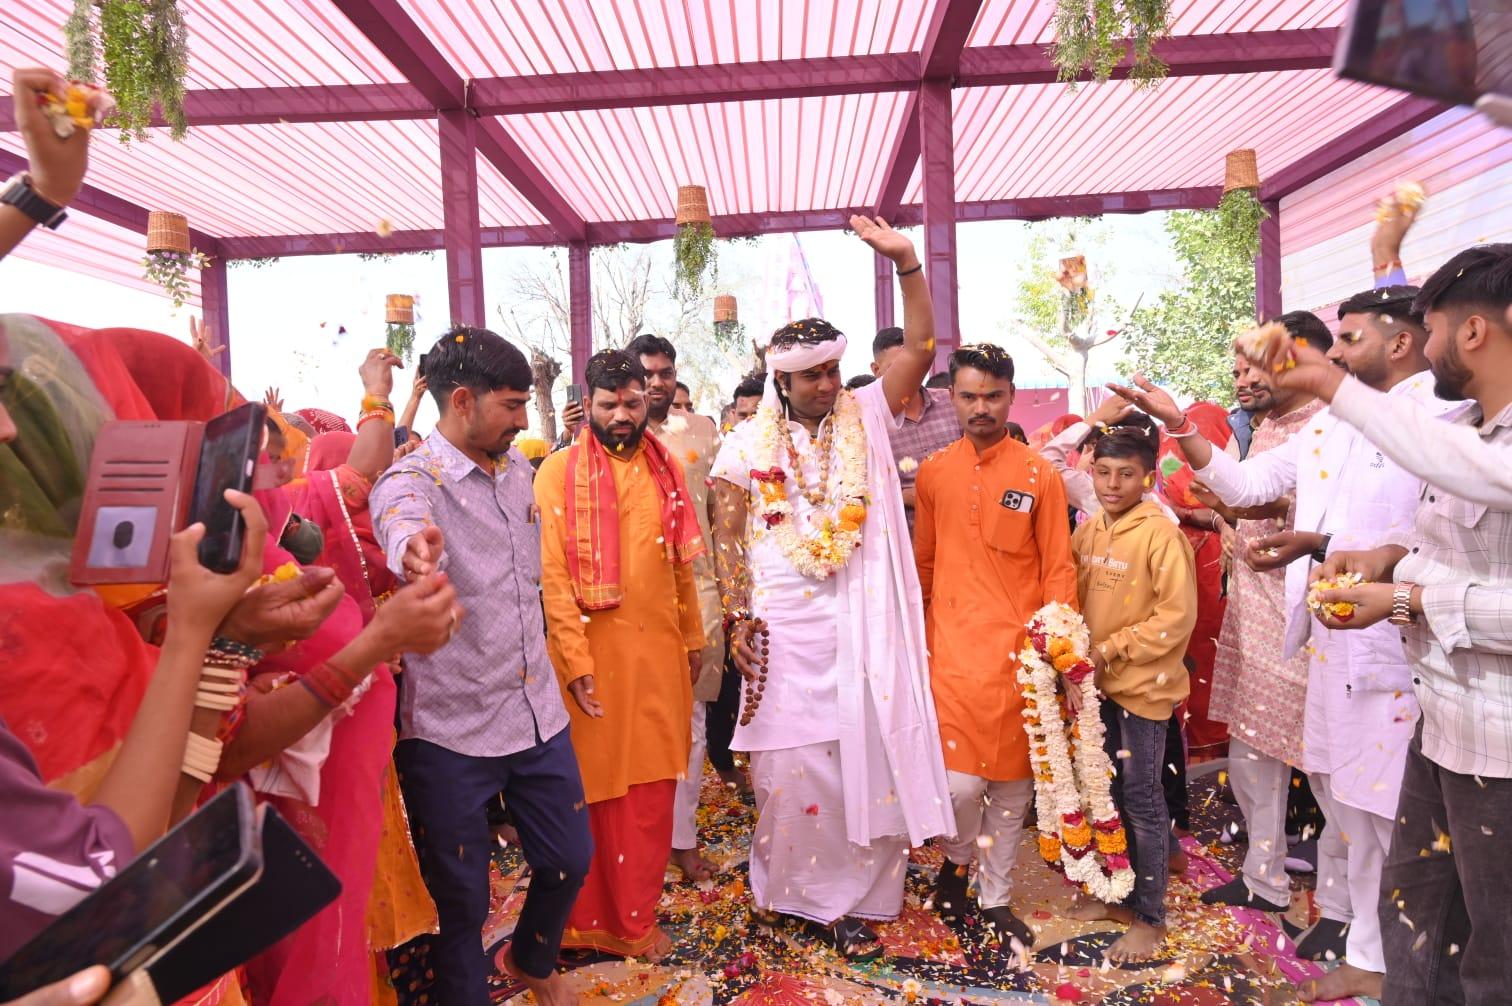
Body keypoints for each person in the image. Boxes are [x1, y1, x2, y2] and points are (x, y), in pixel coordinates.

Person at [710, 215, 954, 959]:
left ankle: (855, 898)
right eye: (811, 375)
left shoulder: (867, 414)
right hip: (783, 628)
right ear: (780, 382)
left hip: (861, 626)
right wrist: (736, 616)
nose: (825, 384)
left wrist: (907, 262)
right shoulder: (744, 443)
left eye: (831, 370)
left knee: (861, 763)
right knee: (790, 771)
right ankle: (792, 892)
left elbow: (921, 348)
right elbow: (727, 535)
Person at [1305, 245, 1512, 1006]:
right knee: (1416, 922)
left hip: (1502, 750)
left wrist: (1407, 599)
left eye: (1433, 330)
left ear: (1475, 331)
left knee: (1495, 955)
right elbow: (1459, 548)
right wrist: (1390, 561)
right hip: (1442, 723)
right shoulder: (1468, 427)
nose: (1424, 350)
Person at [371, 327, 591, 1006]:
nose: (523, 420)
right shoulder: (413, 479)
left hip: (534, 711)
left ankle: (530, 958)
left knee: (568, 859)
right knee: (460, 901)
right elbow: (400, 520)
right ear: (462, 400)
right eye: (512, 405)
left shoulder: (516, 468)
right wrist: (414, 551)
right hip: (451, 729)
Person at [1112, 312, 1332, 918]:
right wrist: (1219, 512)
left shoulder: (1330, 427)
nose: (1244, 381)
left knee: (1325, 766)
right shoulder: (1268, 427)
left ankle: (1344, 906)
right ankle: (1263, 878)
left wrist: (1188, 435)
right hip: (1254, 614)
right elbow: (1247, 496)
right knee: (1251, 755)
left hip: (1311, 624)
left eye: (1256, 367)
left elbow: (1305, 511)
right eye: (1238, 371)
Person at [537, 348, 706, 960]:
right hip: (591, 659)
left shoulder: (666, 468)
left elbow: (681, 568)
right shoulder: (557, 473)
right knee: (591, 792)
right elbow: (554, 579)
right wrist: (574, 662)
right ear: (588, 403)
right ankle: (581, 922)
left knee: (650, 795)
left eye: (632, 403)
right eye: (609, 404)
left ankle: (634, 922)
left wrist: (693, 637)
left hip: (658, 654)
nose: (622, 416)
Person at [913, 344, 1076, 946]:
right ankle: (958, 858)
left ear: (1011, 397)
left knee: (1011, 789)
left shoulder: (1040, 475)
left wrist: (1061, 652)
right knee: (958, 786)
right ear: (951, 399)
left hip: (1020, 657)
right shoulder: (934, 472)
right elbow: (924, 564)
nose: (980, 408)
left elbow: (1058, 567)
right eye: (968, 396)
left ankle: (996, 896)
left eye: (992, 396)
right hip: (950, 652)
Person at [1064, 425, 1197, 963]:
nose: (1112, 484)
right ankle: (1117, 897)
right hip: (1097, 687)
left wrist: (1111, 649)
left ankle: (1150, 918)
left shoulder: (1161, 534)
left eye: (1125, 475)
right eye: (1103, 473)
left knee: (1142, 799)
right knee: (1109, 796)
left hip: (1144, 689)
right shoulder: (1090, 531)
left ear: (1147, 477)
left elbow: (1176, 617)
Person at [624, 333, 726, 884]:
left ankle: (681, 843)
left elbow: (723, 516)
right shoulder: (613, 439)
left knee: (693, 724)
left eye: (666, 372)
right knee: (636, 726)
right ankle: (637, 845)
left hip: (697, 594)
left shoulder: (703, 432)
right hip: (633, 601)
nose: (657, 383)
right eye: (647, 374)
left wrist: (732, 593)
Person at [870, 326, 961, 531]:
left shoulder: (952, 403)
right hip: (906, 541)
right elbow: (860, 492)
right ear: (876, 370)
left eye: (914, 366)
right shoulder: (868, 421)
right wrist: (902, 496)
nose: (907, 375)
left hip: (963, 532)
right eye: (896, 368)